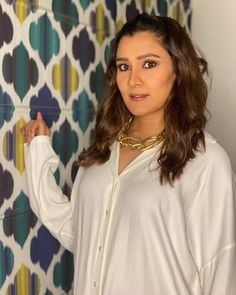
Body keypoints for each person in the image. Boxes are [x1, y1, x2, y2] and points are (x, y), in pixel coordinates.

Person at [22, 13, 236, 295]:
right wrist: (38, 155)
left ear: (178, 70)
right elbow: (82, 234)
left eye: (149, 64)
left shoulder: (205, 162)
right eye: (124, 67)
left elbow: (220, 272)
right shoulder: (103, 149)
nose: (133, 80)